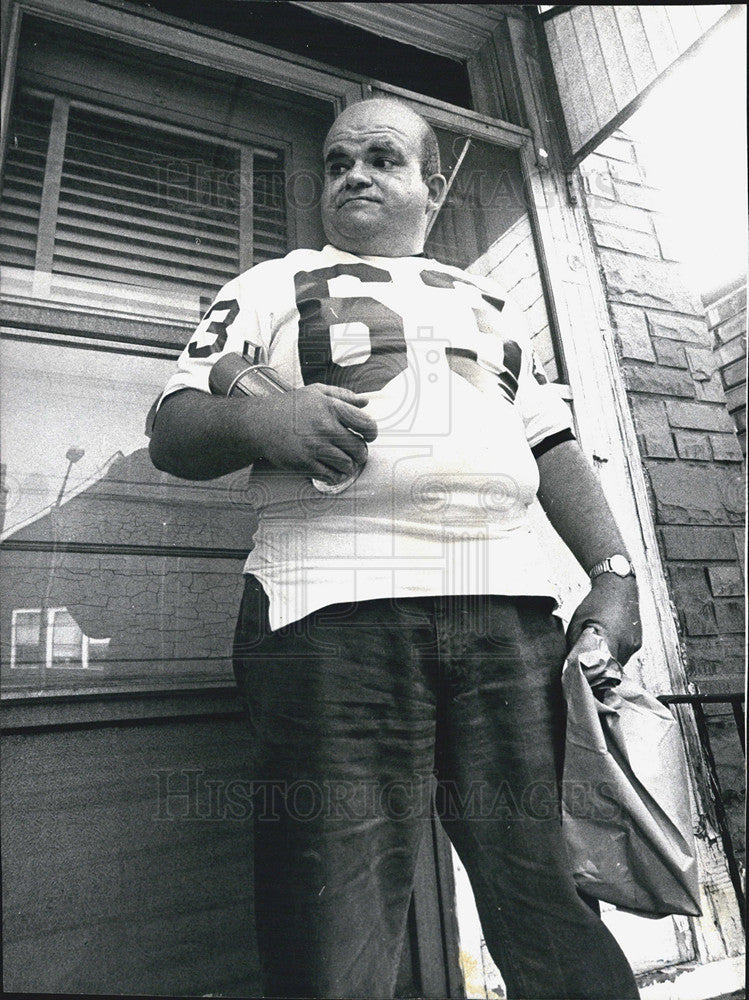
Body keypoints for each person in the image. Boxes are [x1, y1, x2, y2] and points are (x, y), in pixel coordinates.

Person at [149, 98, 641, 999]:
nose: (354, 177)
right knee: (332, 924)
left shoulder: (488, 303)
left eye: (381, 158)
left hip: (506, 615)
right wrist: (269, 417)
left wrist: (613, 578)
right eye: (337, 163)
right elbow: (173, 429)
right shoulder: (270, 282)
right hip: (326, 613)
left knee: (551, 899)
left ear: (433, 182)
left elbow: (551, 444)